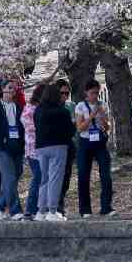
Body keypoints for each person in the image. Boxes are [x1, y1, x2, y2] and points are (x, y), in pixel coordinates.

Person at [35, 80, 74, 220]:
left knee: (44, 179)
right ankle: (52, 210)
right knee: (55, 179)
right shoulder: (62, 112)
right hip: (58, 147)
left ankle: (41, 211)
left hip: (41, 147)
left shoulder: (38, 110)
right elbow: (70, 131)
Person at [0, 80, 25, 220]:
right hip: (2, 148)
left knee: (16, 175)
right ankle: (15, 210)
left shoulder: (19, 107)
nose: (12, 91)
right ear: (2, 89)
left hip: (17, 147)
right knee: (9, 177)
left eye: (14, 89)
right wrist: (2, 140)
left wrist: (21, 143)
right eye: (9, 88)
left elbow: (23, 127)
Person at [76, 78, 113, 218]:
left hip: (100, 142)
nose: (95, 96)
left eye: (97, 93)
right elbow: (80, 128)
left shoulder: (102, 104)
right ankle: (85, 209)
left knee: (106, 175)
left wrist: (103, 118)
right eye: (92, 93)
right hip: (85, 142)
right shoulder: (80, 106)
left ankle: (106, 207)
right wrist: (92, 116)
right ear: (86, 92)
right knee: (84, 176)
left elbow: (108, 126)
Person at [20, 83, 45, 220]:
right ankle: (30, 209)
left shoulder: (42, 108)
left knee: (41, 178)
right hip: (33, 149)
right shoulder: (30, 108)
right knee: (38, 177)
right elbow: (30, 127)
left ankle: (38, 208)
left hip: (43, 148)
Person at [55, 79, 77, 217]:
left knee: (66, 177)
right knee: (57, 176)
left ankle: (60, 202)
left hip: (69, 144)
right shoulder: (51, 107)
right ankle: (56, 205)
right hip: (55, 145)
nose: (64, 95)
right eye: (61, 93)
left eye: (67, 93)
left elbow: (74, 125)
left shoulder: (70, 106)